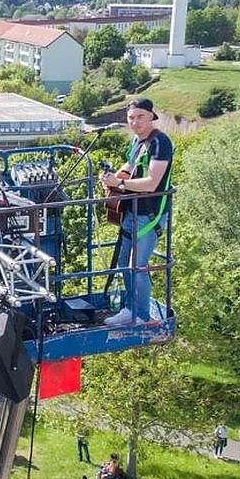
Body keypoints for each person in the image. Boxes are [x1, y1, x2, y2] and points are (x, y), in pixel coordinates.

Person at [101, 97, 174, 325]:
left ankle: (141, 315)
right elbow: (130, 166)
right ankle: (130, 309)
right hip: (132, 211)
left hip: (150, 214)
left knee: (137, 265)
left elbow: (152, 182)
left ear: (152, 116)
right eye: (131, 118)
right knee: (125, 262)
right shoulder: (137, 142)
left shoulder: (160, 142)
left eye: (140, 116)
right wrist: (112, 179)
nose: (135, 122)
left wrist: (120, 185)